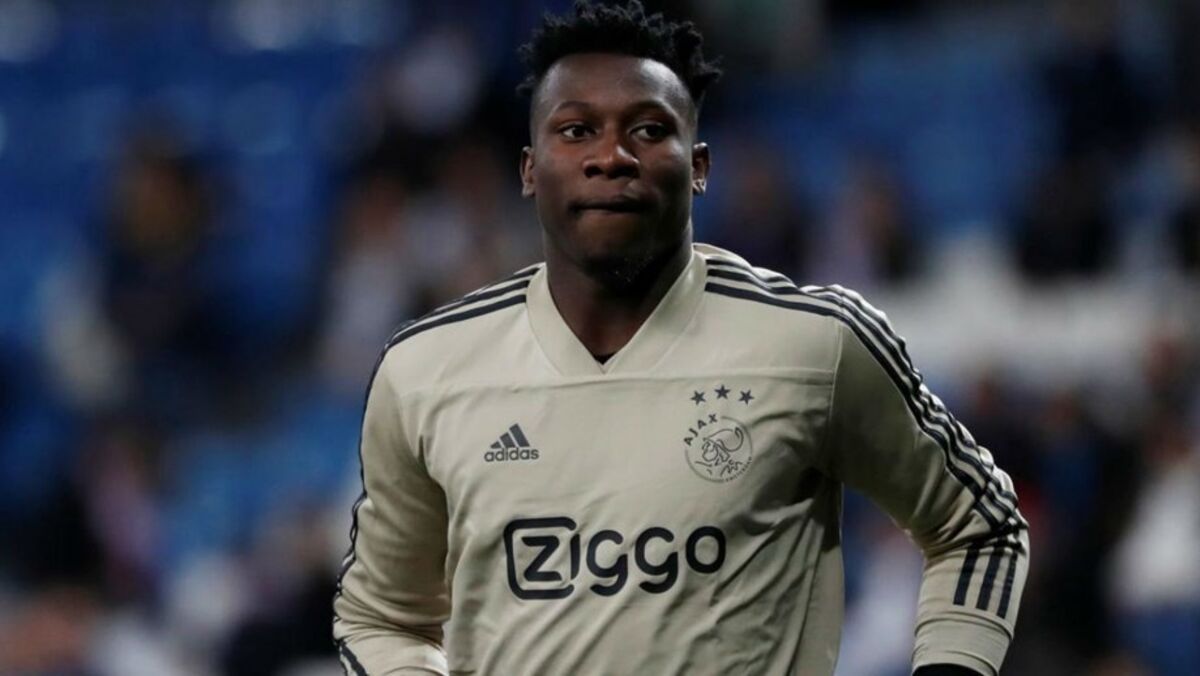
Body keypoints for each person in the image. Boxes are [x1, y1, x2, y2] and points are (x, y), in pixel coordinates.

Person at [332, 2, 1029, 674]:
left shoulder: (814, 347)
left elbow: (980, 527)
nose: (611, 156)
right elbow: (383, 616)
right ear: (529, 170)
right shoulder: (426, 372)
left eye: (646, 129)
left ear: (698, 167)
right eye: (576, 130)